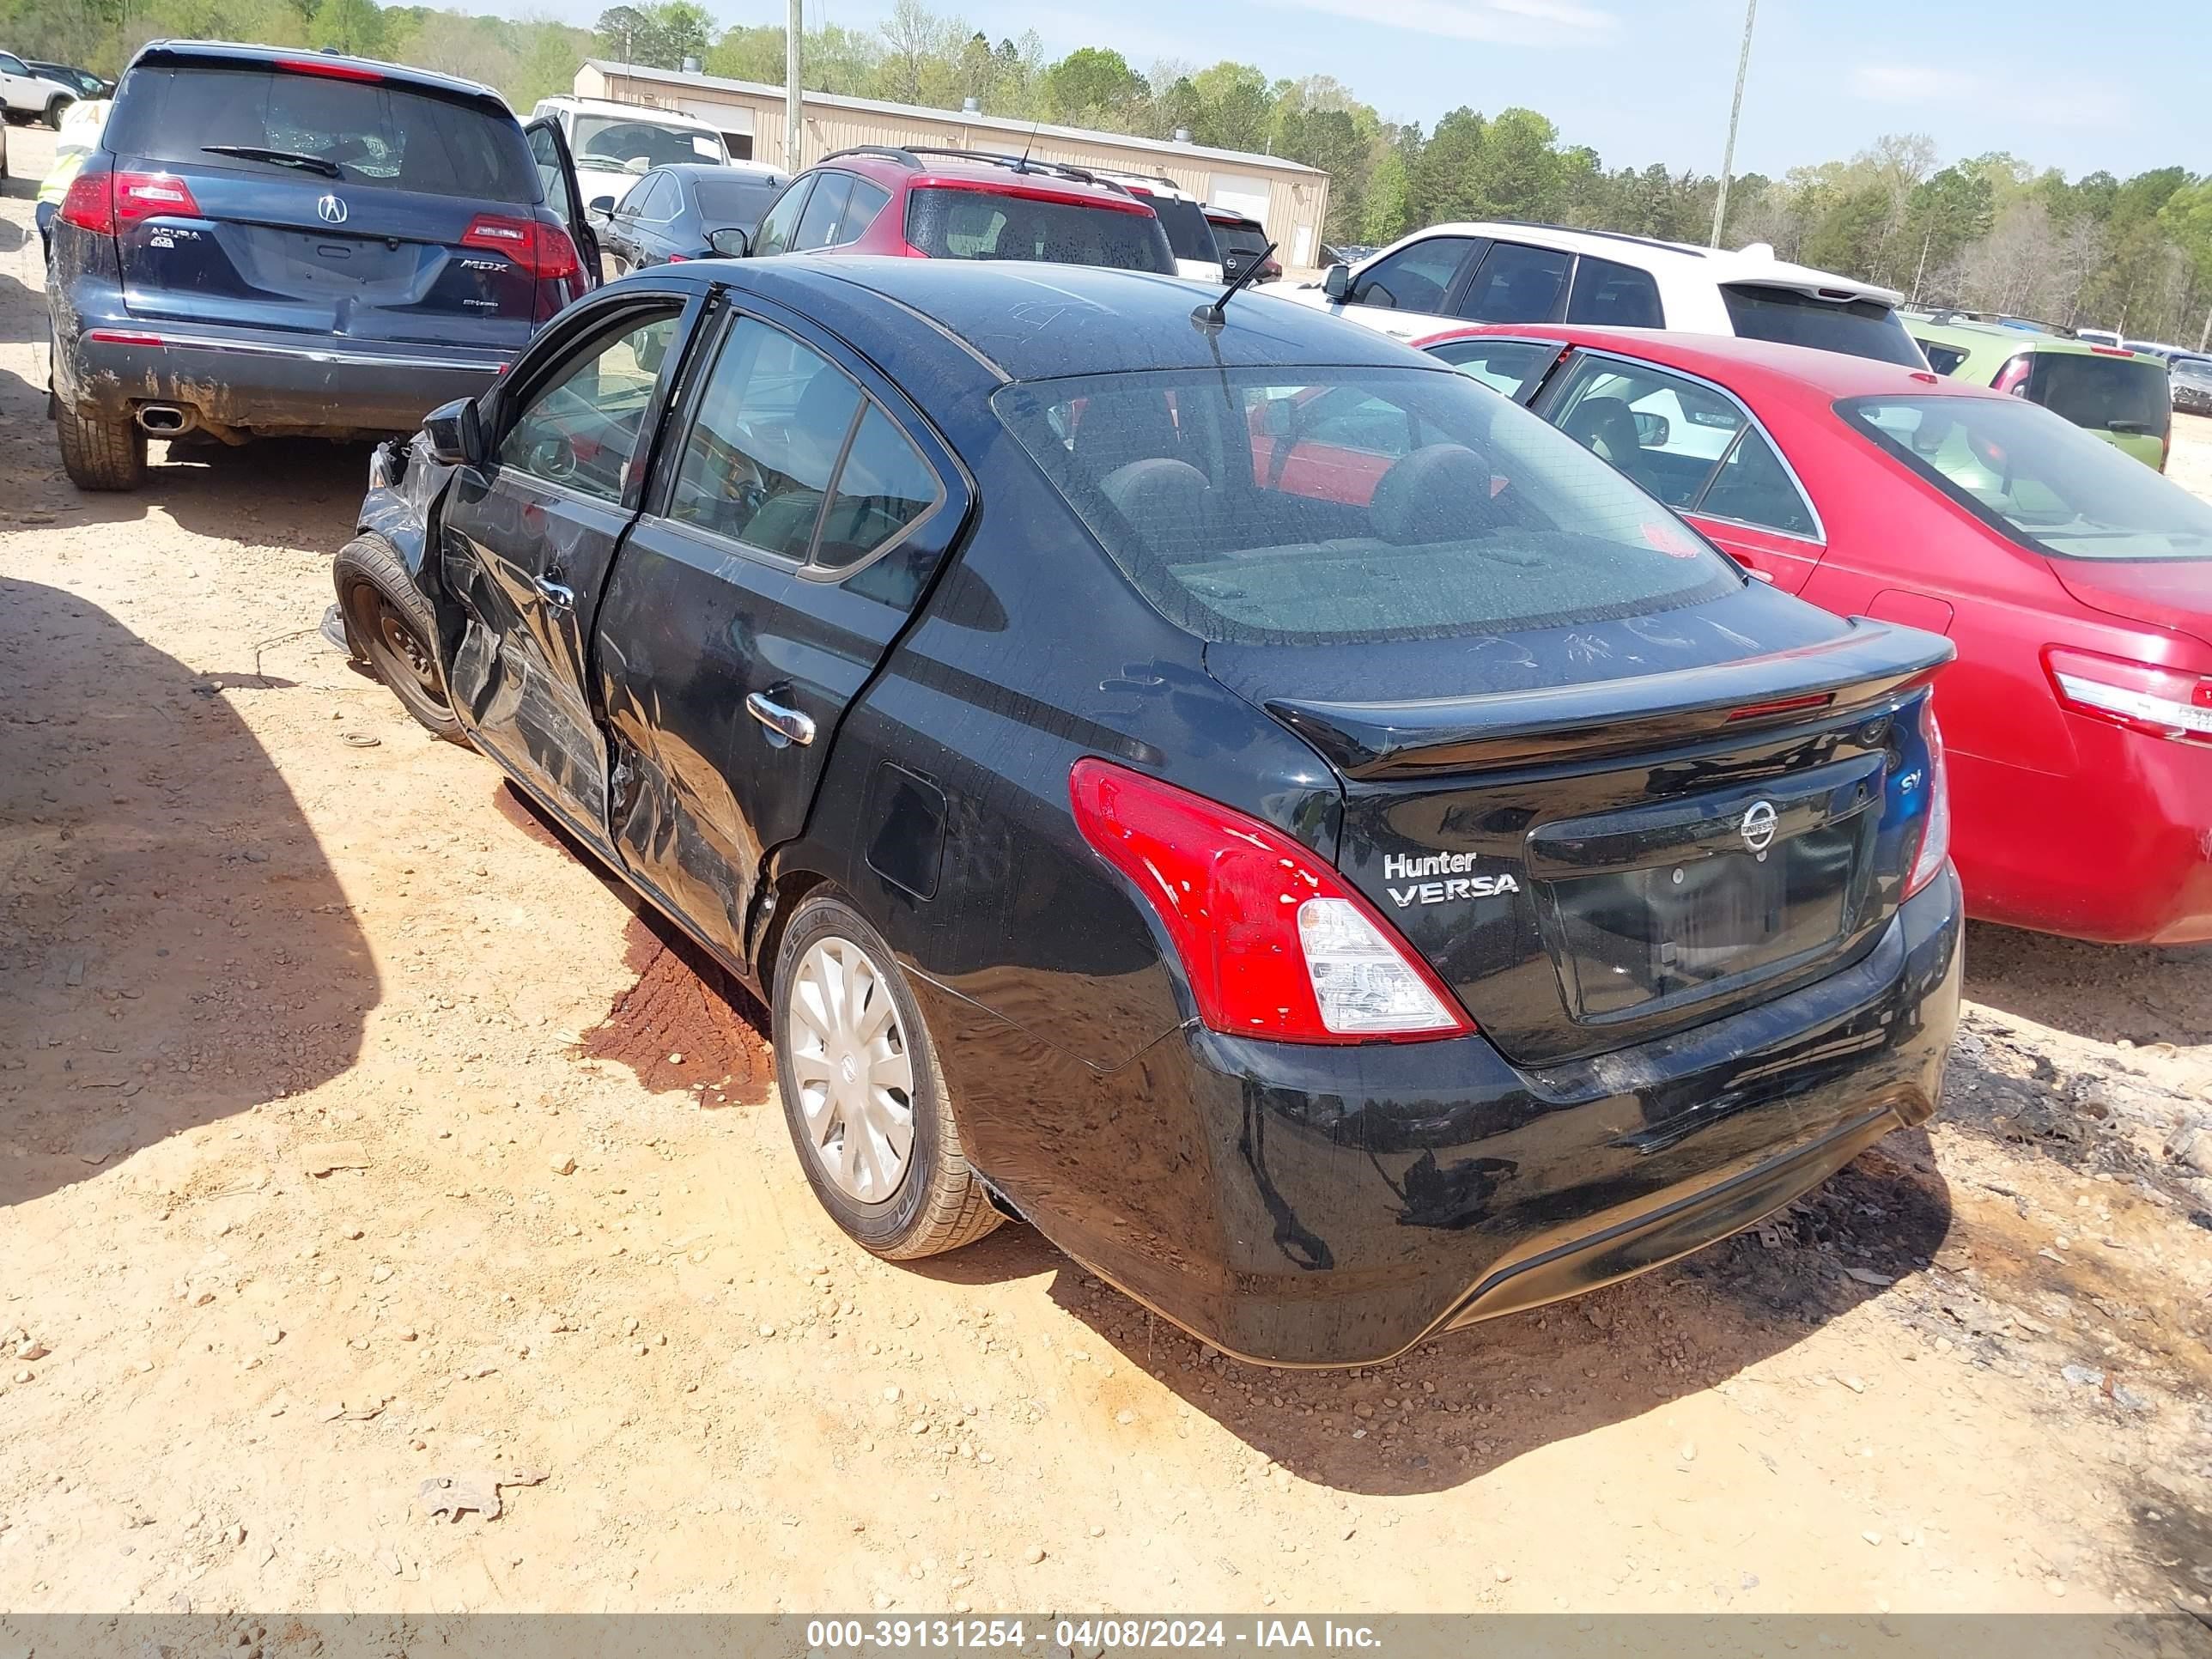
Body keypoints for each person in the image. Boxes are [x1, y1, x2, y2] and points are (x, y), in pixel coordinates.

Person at [37, 96, 111, 263]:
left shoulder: (75, 109)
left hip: (48, 200)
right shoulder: (115, 112)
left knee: (56, 276)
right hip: (73, 209)